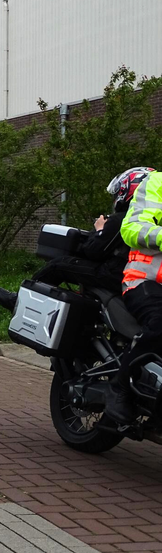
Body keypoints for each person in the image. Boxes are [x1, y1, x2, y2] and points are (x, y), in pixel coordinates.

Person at [0, 169, 151, 312]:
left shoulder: (123, 219)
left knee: (58, 266)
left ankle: (18, 301)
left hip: (114, 275)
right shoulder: (150, 220)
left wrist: (100, 229)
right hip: (140, 278)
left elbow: (93, 251)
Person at [101, 168, 162, 424]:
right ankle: (120, 388)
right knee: (160, 324)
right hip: (145, 280)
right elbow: (133, 227)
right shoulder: (157, 183)